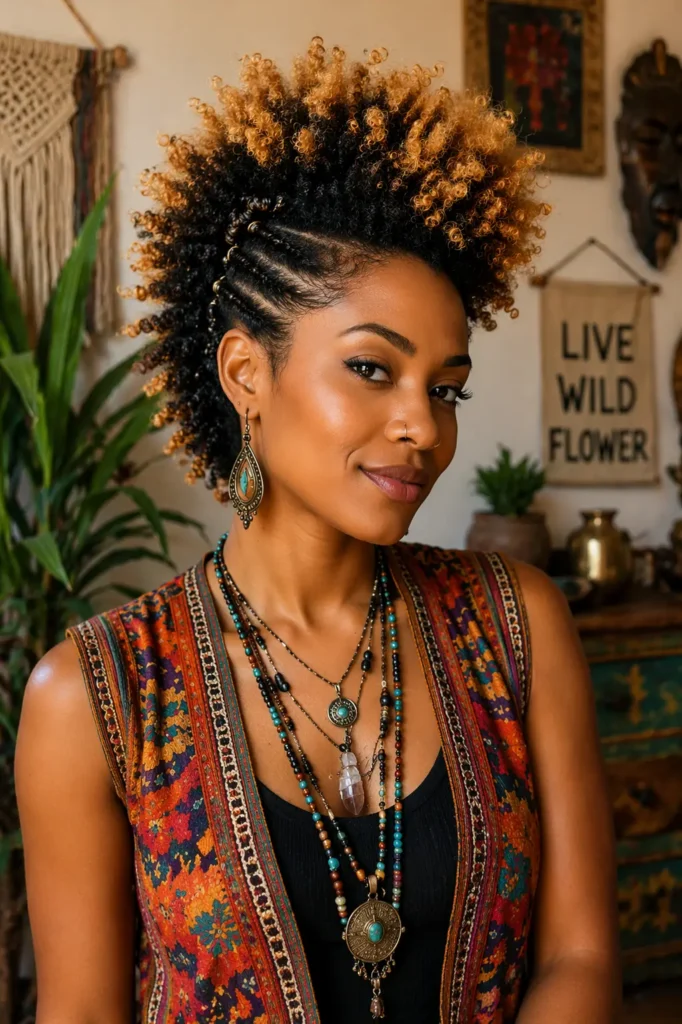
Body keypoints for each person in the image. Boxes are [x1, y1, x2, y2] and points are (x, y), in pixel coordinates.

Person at [15, 38, 620, 1024]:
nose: (423, 425)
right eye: (372, 369)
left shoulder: (517, 627)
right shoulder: (96, 697)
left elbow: (581, 960)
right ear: (247, 374)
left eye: (446, 387)